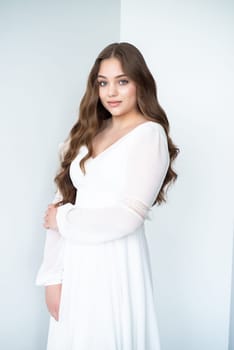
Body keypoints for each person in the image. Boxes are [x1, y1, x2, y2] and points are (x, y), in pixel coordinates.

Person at [35, 42, 179, 350]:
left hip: (116, 264)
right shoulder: (86, 134)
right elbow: (62, 201)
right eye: (103, 82)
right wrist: (51, 278)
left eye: (122, 81)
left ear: (140, 82)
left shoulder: (150, 135)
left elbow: (128, 217)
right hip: (74, 264)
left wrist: (62, 218)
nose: (111, 92)